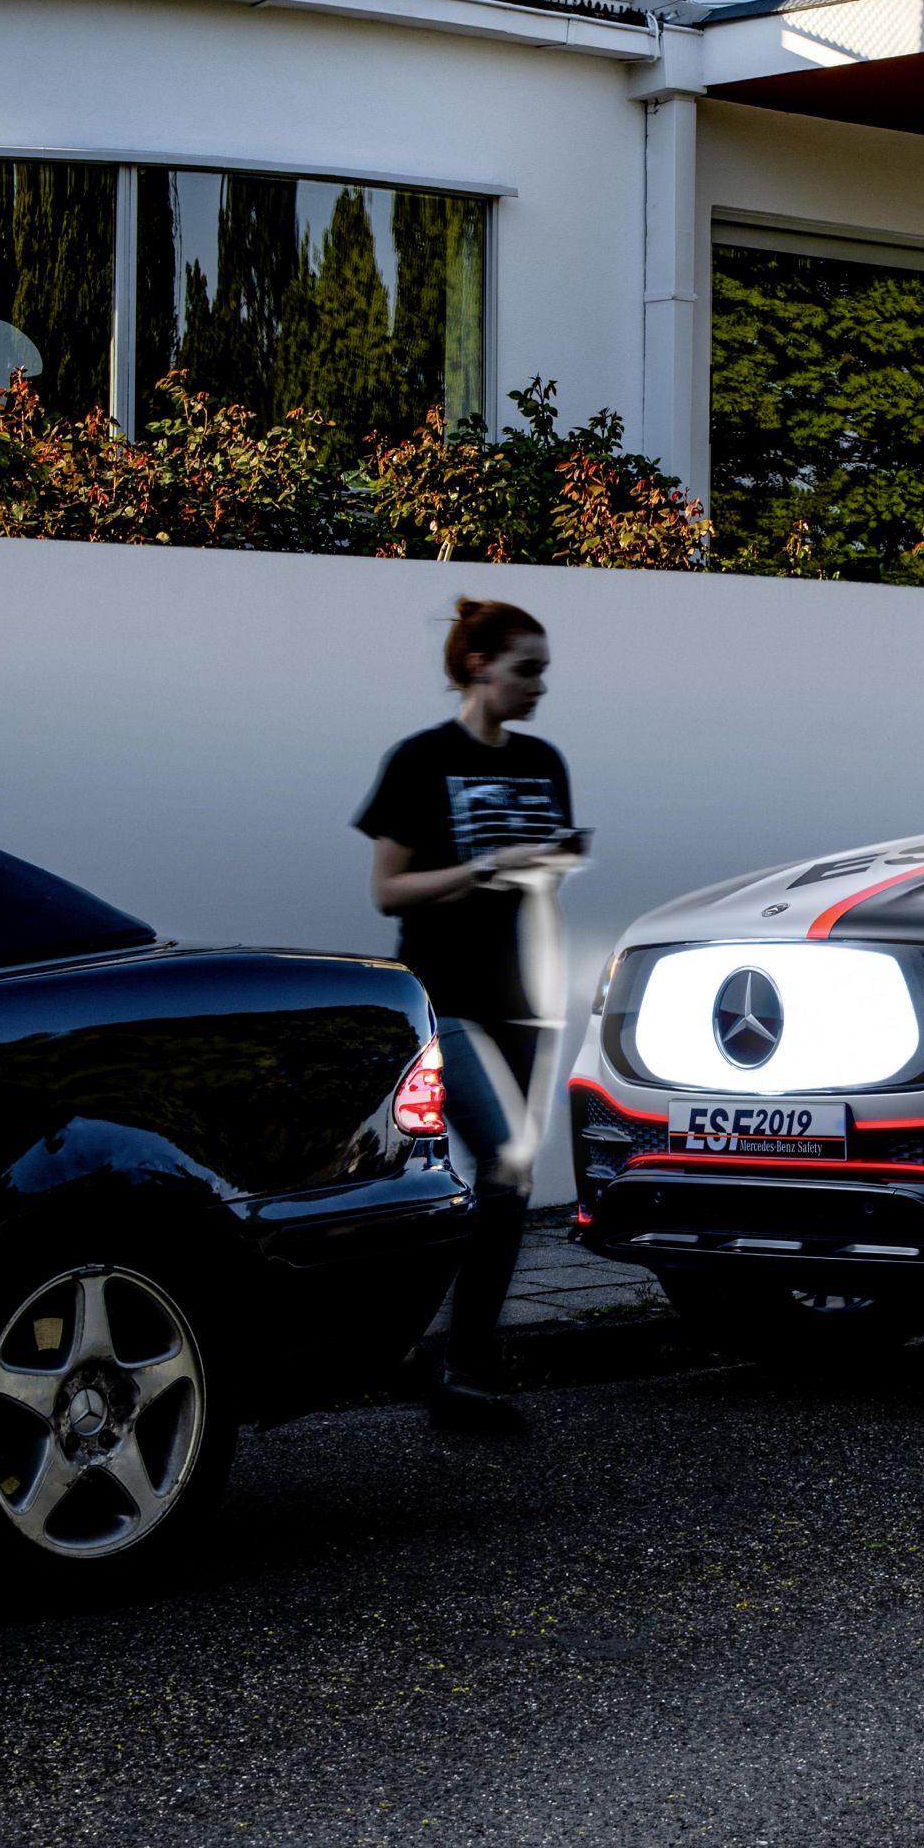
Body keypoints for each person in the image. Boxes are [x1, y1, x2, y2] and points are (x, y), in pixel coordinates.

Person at [354, 598, 576, 1437]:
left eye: (544, 671)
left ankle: (459, 1365)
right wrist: (484, 865)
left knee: (503, 1183)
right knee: (506, 1157)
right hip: (446, 999)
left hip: (526, 1001)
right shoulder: (420, 761)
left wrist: (547, 874)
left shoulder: (543, 762)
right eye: (527, 670)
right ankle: (454, 1363)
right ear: (480, 665)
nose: (539, 688)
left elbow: (543, 880)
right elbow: (388, 889)